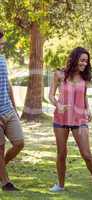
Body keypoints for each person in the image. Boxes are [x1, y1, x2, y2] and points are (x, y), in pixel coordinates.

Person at [48, 47, 92, 193]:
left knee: (86, 154)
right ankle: (60, 185)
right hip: (61, 119)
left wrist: (88, 109)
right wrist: (57, 105)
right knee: (62, 153)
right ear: (75, 59)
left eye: (86, 61)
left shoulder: (85, 78)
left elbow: (83, 96)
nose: (84, 63)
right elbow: (51, 95)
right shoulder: (59, 74)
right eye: (82, 60)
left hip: (79, 119)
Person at [0, 29, 25, 191]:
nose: (2, 45)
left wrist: (15, 108)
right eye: (0, 42)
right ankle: (5, 182)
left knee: (19, 143)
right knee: (0, 148)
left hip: (8, 109)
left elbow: (7, 83)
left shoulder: (2, 58)